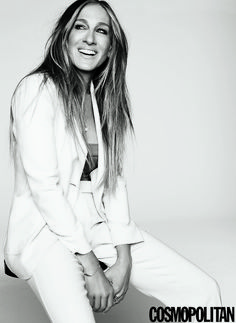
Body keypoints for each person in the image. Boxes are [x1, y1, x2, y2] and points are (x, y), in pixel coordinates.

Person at [4, 0, 222, 322]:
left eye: (101, 31)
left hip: (97, 225)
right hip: (47, 232)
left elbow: (114, 184)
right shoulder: (37, 90)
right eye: (81, 27)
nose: (90, 38)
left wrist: (123, 256)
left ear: (109, 48)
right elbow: (45, 189)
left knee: (202, 291)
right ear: (64, 37)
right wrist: (92, 268)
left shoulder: (101, 100)